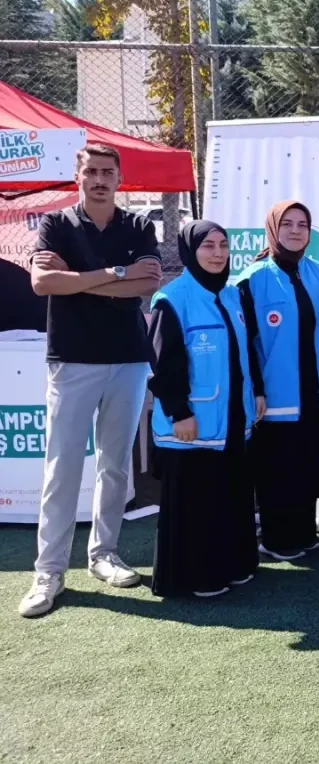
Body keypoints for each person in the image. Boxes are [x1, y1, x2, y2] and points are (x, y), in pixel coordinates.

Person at [18, 144, 162, 619]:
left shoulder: (139, 225)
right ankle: (49, 573)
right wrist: (114, 274)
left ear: (119, 179)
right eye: (91, 172)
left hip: (128, 360)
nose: (100, 180)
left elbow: (147, 285)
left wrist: (79, 279)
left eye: (108, 172)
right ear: (78, 177)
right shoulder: (57, 224)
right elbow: (43, 285)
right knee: (62, 471)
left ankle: (104, 554)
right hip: (73, 360)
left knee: (115, 467)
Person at [148, 221, 262, 597]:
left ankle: (234, 564)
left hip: (231, 420)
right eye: (207, 246)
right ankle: (198, 577)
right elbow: (163, 366)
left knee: (230, 498)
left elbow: (245, 353)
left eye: (223, 245)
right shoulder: (172, 299)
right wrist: (179, 412)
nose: (217, 253)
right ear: (189, 251)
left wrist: (257, 392)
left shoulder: (231, 295)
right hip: (192, 426)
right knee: (197, 505)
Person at [237, 201, 319, 561]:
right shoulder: (252, 279)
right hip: (276, 396)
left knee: (309, 463)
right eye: (288, 224)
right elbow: (246, 343)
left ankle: (304, 533)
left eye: (303, 224)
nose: (295, 231)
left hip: (316, 389)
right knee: (279, 468)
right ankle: (277, 538)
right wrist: (258, 390)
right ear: (273, 229)